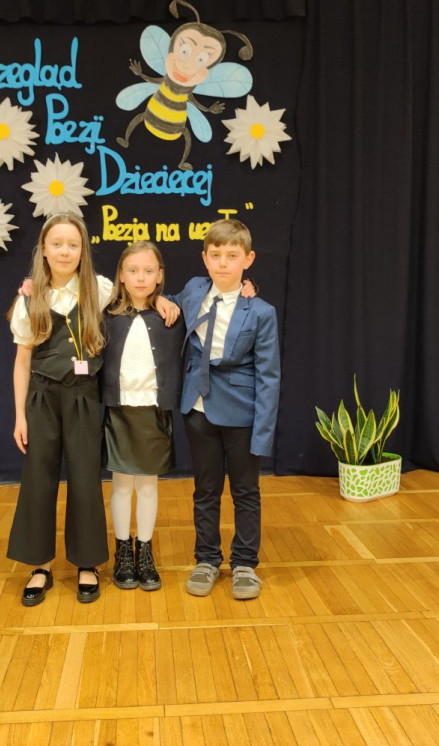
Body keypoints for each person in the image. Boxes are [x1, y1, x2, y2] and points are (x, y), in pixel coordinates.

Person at [6, 214, 180, 606]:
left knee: (85, 477)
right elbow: (21, 363)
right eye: (57, 244)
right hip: (42, 398)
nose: (65, 252)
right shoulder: (29, 299)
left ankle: (87, 562)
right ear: (44, 250)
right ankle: (40, 566)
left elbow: (138, 295)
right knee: (39, 479)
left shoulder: (99, 290)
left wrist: (160, 299)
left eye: (73, 245)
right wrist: (19, 415)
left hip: (83, 396)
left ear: (83, 250)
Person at [171, 219, 281, 600]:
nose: (222, 263)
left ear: (247, 260)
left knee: (246, 491)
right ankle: (206, 559)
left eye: (232, 256)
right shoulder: (194, 289)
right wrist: (159, 300)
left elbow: (269, 376)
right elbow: (167, 299)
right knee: (205, 489)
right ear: (204, 258)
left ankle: (245, 563)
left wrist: (263, 434)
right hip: (198, 408)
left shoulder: (260, 311)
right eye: (215, 255)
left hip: (242, 415)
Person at [101, 241, 185, 591]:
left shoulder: (172, 313)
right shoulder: (105, 313)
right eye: (133, 270)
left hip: (153, 409)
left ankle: (145, 551)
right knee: (122, 483)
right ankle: (123, 551)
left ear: (160, 276)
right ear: (120, 275)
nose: (140, 277)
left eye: (149, 271)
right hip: (120, 411)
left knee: (148, 484)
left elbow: (209, 292)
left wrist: (250, 285)